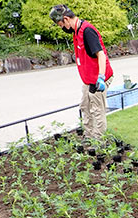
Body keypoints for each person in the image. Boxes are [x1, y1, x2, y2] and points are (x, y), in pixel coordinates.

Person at [49, 4, 113, 139]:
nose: (61, 28)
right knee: (85, 106)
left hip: (98, 79)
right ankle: (89, 136)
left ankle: (98, 141)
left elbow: (101, 55)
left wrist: (101, 78)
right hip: (88, 80)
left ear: (66, 19)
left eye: (60, 24)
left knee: (97, 110)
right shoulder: (76, 31)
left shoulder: (87, 32)